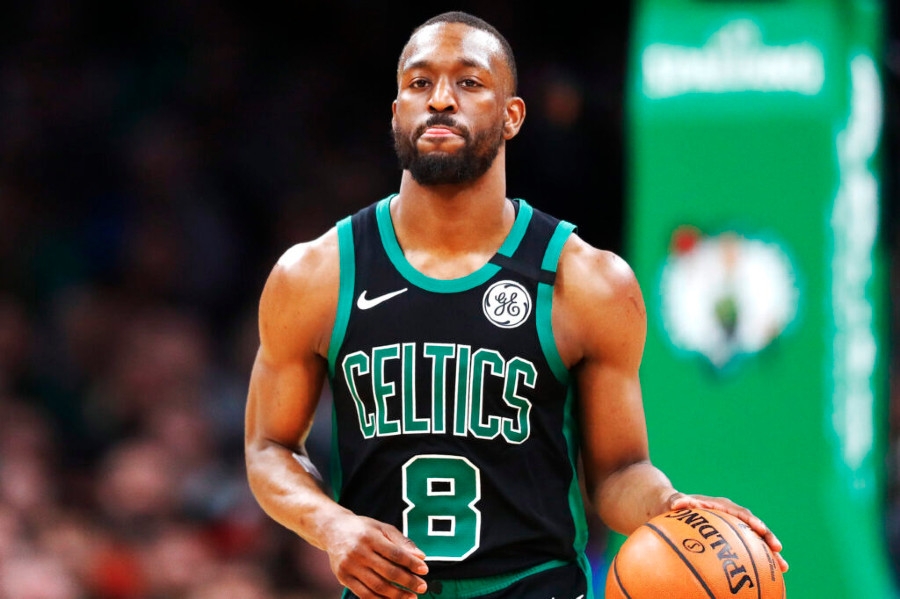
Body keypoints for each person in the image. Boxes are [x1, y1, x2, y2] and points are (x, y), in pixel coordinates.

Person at [244, 11, 789, 599]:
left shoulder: (589, 281)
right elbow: (268, 447)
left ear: (512, 116)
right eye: (420, 83)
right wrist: (330, 524)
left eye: (469, 82)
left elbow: (618, 472)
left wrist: (669, 505)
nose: (441, 99)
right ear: (397, 111)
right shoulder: (317, 274)